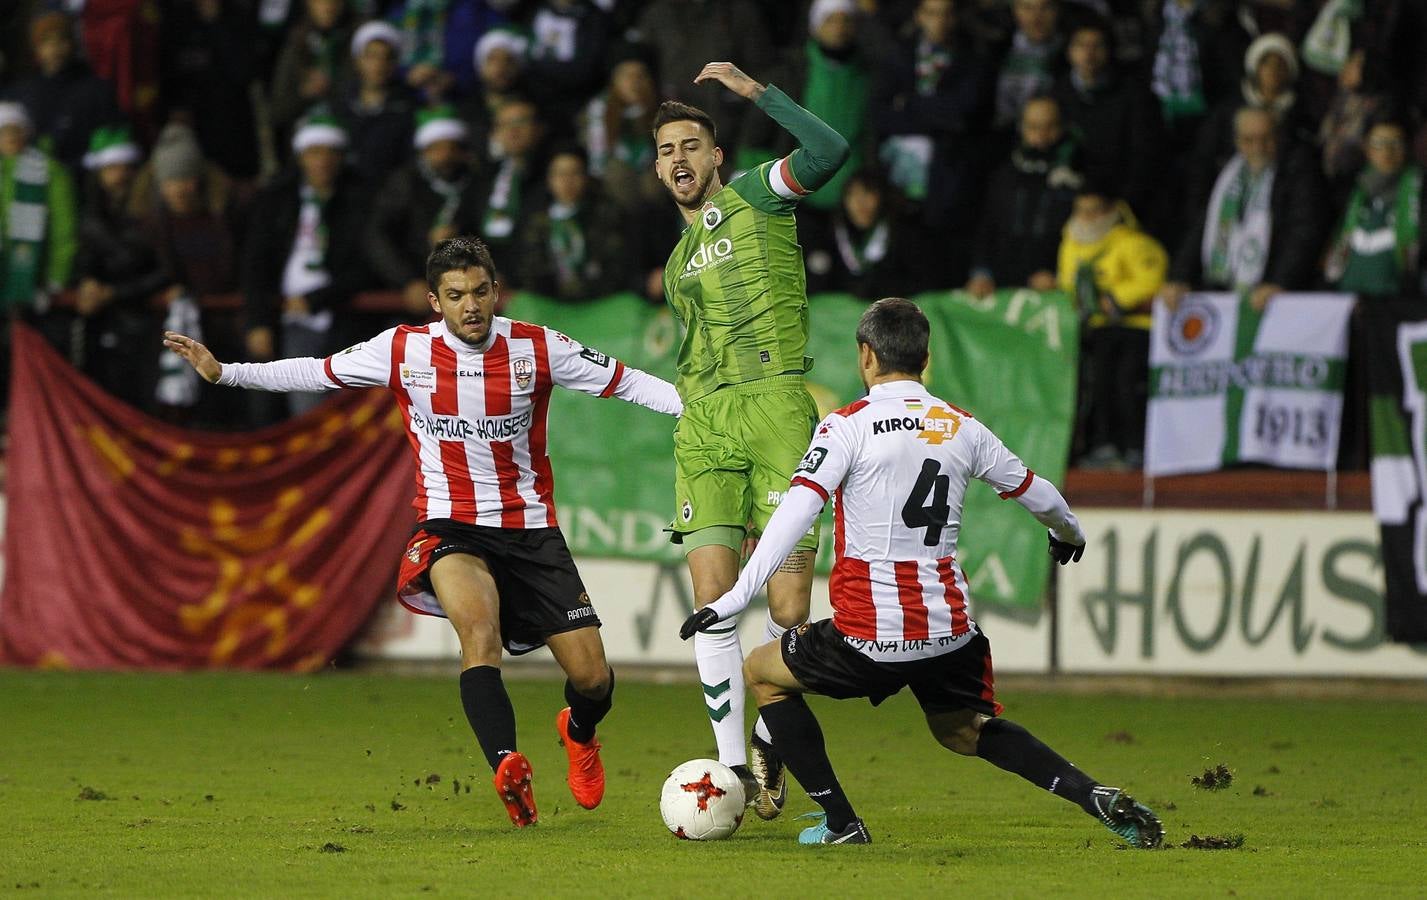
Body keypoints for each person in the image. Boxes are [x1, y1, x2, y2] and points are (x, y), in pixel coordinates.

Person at [163, 236, 684, 828]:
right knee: (478, 635)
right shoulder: (402, 350)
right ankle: (507, 763)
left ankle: (579, 729)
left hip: (529, 530)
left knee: (593, 678)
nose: (471, 306)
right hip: (449, 526)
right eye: (456, 295)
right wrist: (225, 372)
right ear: (435, 301)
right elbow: (317, 370)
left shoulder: (538, 348)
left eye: (480, 292)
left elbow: (627, 381)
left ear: (496, 291)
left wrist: (698, 409)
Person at [679, 297, 1164, 849]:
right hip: (949, 629)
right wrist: (1068, 534)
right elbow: (1039, 493)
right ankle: (1090, 793)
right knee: (962, 731)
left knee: (762, 673)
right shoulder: (961, 426)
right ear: (926, 357)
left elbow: (795, 513)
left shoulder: (846, 427)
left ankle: (842, 823)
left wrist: (738, 594)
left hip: (870, 633)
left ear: (866, 356)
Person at [652, 60, 849, 820]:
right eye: (666, 148)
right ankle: (735, 768)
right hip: (705, 425)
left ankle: (773, 739)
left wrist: (753, 94)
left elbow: (829, 151)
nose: (678, 158)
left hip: (774, 409)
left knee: (789, 607)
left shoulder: (757, 196)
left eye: (690, 145)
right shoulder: (674, 264)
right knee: (710, 599)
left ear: (715, 157)